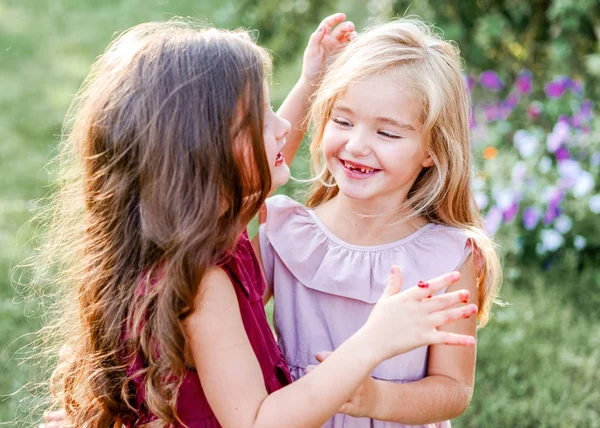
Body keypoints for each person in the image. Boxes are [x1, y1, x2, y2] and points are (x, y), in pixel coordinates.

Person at [36, 16, 477, 428]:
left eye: (387, 131)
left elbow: (257, 166)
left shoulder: (206, 228)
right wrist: (374, 341)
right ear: (208, 158)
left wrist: (311, 82)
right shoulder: (209, 275)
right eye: (259, 120)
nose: (284, 127)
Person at [256, 18, 502, 427]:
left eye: (387, 133)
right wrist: (308, 83)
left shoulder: (447, 257)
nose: (356, 145)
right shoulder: (286, 232)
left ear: (432, 150)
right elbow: (248, 180)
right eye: (343, 121)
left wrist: (374, 399)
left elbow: (454, 387)